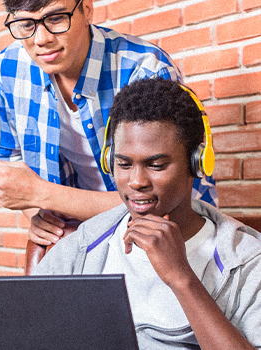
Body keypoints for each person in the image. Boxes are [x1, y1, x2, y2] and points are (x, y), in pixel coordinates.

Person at [33, 79, 261, 349]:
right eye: (123, 164)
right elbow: (28, 332)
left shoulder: (246, 260)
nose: (137, 181)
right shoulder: (81, 249)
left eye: (156, 165)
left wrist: (181, 277)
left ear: (197, 163)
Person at [0, 0, 217, 247]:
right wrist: (39, 216)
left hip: (170, 231)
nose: (41, 39)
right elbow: (8, 173)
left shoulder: (146, 69)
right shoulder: (7, 69)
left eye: (55, 19)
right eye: (25, 24)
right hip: (79, 235)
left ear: (86, 9)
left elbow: (161, 199)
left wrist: (41, 194)